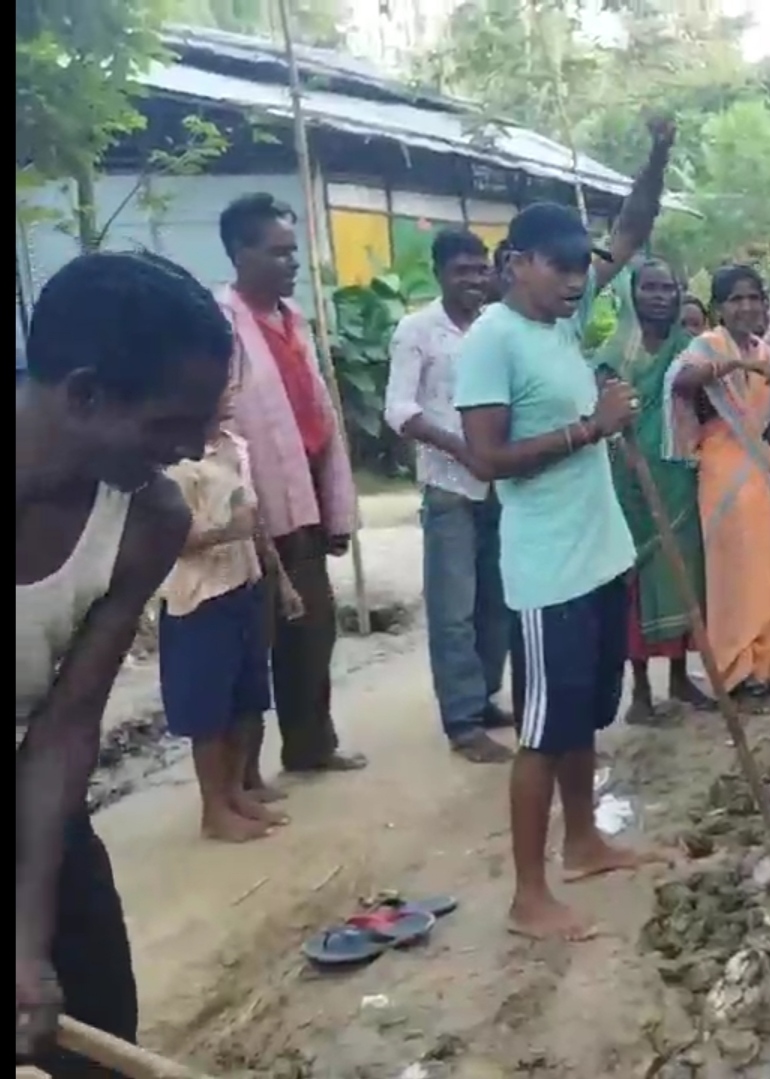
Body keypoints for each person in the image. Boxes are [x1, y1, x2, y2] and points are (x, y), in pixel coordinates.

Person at [453, 114, 677, 942]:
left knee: (583, 713)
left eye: (585, 268)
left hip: (600, 554)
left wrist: (656, 154)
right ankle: (527, 893)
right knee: (542, 732)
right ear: (517, 265)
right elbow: (485, 459)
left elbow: (631, 228)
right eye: (563, 266)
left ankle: (584, 842)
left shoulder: (561, 324)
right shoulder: (492, 340)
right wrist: (595, 427)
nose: (581, 278)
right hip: (546, 569)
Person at [16, 251, 233, 1076]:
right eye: (171, 425)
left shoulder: (147, 519)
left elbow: (64, 728)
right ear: (84, 395)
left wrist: (26, 942)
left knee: (92, 1025)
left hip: (38, 814)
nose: (186, 450)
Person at [215, 192, 365, 779]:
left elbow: (315, 413)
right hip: (250, 508)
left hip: (305, 496)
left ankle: (310, 746)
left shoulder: (293, 321)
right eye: (278, 253)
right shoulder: (219, 324)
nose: (291, 263)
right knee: (253, 644)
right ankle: (241, 775)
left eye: (293, 253)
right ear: (239, 252)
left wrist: (336, 508)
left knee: (312, 632)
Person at [385, 227, 514, 763]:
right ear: (439, 273)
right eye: (462, 270)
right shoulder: (417, 330)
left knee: (496, 603)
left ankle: (483, 696)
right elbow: (398, 409)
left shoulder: (495, 328)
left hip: (501, 484)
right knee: (453, 608)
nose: (474, 280)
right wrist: (461, 449)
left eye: (480, 269)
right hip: (449, 485)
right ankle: (461, 721)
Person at [159, 400, 304, 842]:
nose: (229, 390)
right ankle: (214, 810)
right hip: (199, 596)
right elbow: (171, 541)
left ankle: (236, 792)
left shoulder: (234, 447)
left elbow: (254, 523)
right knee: (208, 712)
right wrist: (229, 531)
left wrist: (280, 581)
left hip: (244, 584)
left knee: (245, 700)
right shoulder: (172, 463)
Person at [591, 260, 710, 723]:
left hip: (679, 474)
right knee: (636, 578)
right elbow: (604, 410)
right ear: (633, 294)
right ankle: (640, 693)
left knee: (682, 572)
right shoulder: (615, 353)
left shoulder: (690, 348)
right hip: (629, 476)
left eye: (668, 287)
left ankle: (680, 677)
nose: (659, 296)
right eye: (650, 288)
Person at [668, 265, 770, 699]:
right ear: (719, 308)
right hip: (721, 467)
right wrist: (733, 363)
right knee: (730, 570)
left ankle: (766, 666)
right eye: (736, 299)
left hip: (760, 468)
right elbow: (681, 382)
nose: (746, 306)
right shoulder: (707, 345)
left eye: (753, 298)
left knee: (762, 568)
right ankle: (734, 667)